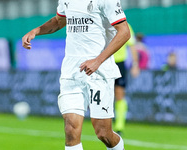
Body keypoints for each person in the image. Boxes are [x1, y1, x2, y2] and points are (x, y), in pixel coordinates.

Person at [22, 0, 130, 150]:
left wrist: (97, 61)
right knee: (71, 129)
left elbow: (124, 32)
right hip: (71, 72)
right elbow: (59, 21)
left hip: (99, 72)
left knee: (103, 133)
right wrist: (36, 30)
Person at [113, 24, 140, 135]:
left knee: (119, 94)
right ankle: (104, 123)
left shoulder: (125, 25)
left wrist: (135, 64)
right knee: (106, 95)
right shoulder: (102, 23)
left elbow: (132, 46)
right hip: (103, 62)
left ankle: (119, 126)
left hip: (119, 63)